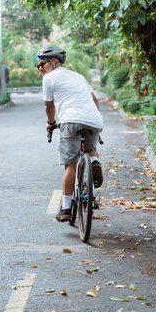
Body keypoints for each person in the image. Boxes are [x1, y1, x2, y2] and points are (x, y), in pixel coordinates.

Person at [37, 46, 104, 222]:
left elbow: (48, 106)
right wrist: (95, 120)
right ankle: (95, 164)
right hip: (94, 119)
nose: (40, 68)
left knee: (70, 164)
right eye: (38, 65)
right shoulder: (78, 76)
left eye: (42, 64)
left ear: (54, 62)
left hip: (70, 120)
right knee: (90, 149)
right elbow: (94, 99)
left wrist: (51, 123)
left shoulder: (49, 78)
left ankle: (66, 208)